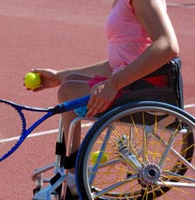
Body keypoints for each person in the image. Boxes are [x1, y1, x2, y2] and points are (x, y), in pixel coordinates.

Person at [27, 0, 179, 196]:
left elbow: (167, 45)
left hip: (144, 90)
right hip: (134, 85)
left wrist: (113, 84)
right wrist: (60, 75)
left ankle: (73, 177)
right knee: (69, 85)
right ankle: (71, 173)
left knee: (69, 91)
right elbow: (116, 65)